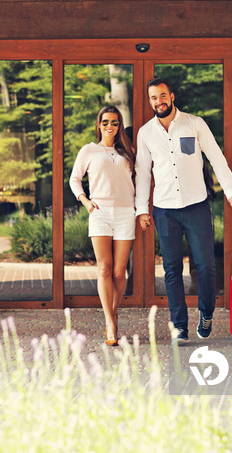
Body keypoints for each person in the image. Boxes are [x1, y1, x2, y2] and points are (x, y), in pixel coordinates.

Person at [135, 78, 232, 344]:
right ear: (149, 101)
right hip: (164, 209)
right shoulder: (146, 132)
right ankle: (179, 326)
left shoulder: (195, 124)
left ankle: (206, 313)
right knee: (172, 269)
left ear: (171, 96)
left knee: (205, 265)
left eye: (162, 95)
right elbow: (141, 173)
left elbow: (216, 157)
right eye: (153, 98)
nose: (158, 101)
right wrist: (142, 209)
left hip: (196, 206)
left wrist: (231, 191)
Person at [70, 105, 136, 346]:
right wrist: (85, 201)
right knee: (104, 269)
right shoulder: (89, 150)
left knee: (120, 272)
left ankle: (113, 311)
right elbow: (74, 179)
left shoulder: (128, 151)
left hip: (125, 212)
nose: (110, 126)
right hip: (99, 213)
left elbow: (137, 181)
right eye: (106, 122)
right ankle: (110, 322)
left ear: (119, 126)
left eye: (115, 122)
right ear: (99, 125)